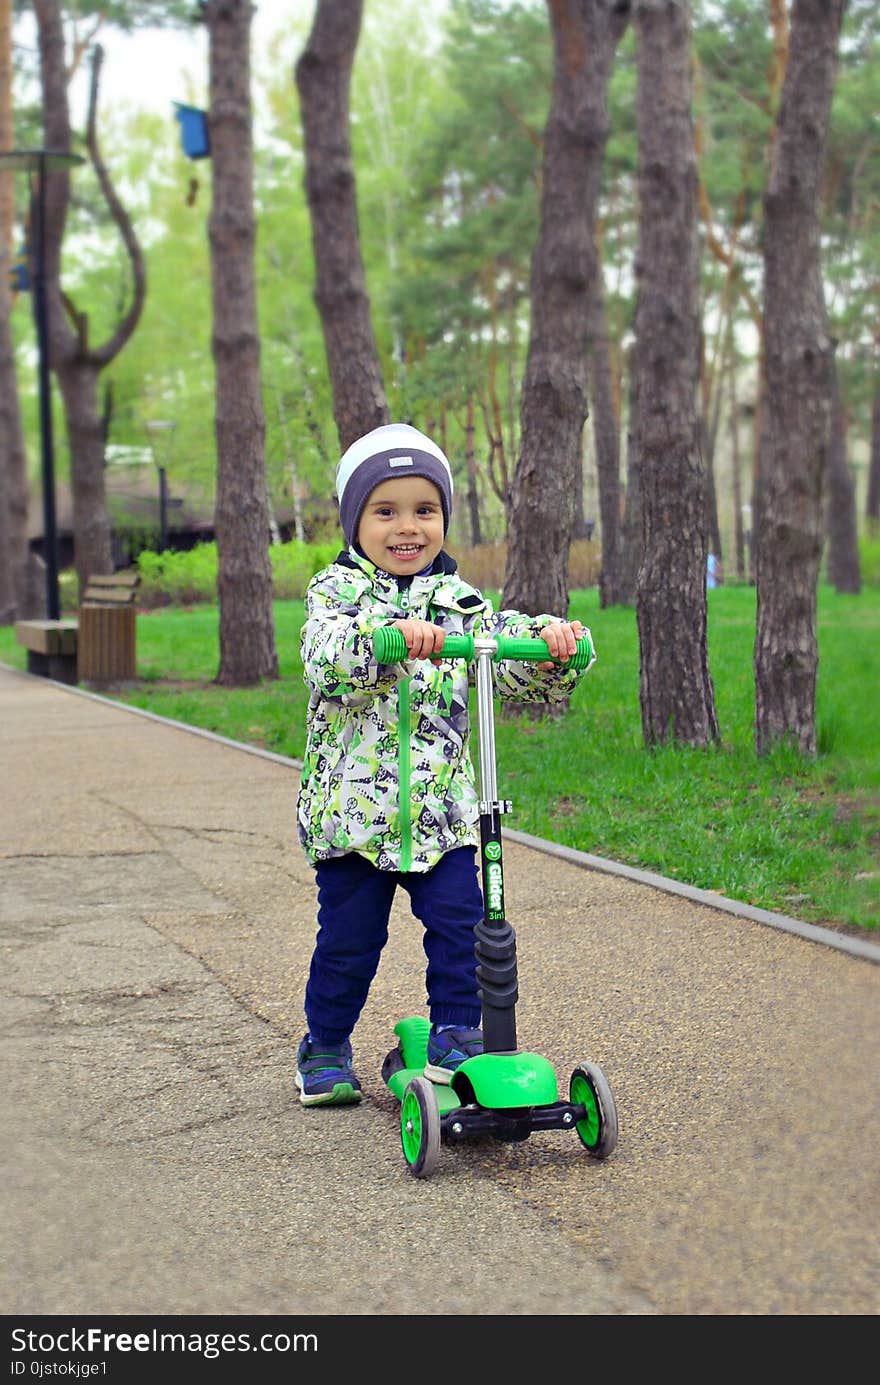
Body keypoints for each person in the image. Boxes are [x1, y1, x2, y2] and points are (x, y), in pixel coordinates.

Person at [295, 422, 593, 1105]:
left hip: (443, 816)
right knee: (349, 943)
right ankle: (325, 1044)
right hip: (354, 818)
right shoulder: (335, 595)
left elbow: (502, 650)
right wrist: (389, 640)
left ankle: (459, 1031)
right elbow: (325, 655)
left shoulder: (460, 602)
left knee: (466, 924)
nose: (408, 527)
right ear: (355, 521)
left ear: (443, 520)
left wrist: (551, 644)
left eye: (424, 510)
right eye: (386, 510)